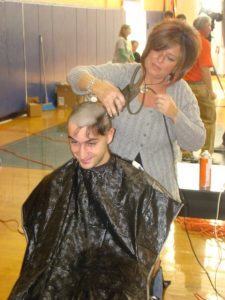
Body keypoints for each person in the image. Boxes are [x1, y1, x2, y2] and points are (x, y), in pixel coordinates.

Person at [67, 19, 205, 299]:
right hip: (111, 189)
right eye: (157, 50)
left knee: (145, 259)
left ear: (179, 66)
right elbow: (75, 74)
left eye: (169, 58)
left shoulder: (181, 92)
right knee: (108, 257)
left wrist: (175, 114)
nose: (158, 60)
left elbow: (197, 141)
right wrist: (99, 86)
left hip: (156, 194)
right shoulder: (126, 73)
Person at [8, 102, 181, 300]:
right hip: (66, 273)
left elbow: (150, 251)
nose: (81, 153)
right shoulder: (56, 183)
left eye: (90, 143)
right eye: (74, 142)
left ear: (109, 135)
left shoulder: (135, 185)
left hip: (117, 278)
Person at [183, 16, 217, 161]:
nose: (210, 28)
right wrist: (211, 91)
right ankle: (206, 152)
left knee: (185, 120)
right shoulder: (203, 42)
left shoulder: (185, 41)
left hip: (184, 86)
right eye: (209, 25)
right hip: (199, 86)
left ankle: (185, 151)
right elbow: (204, 70)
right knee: (208, 119)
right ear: (203, 27)